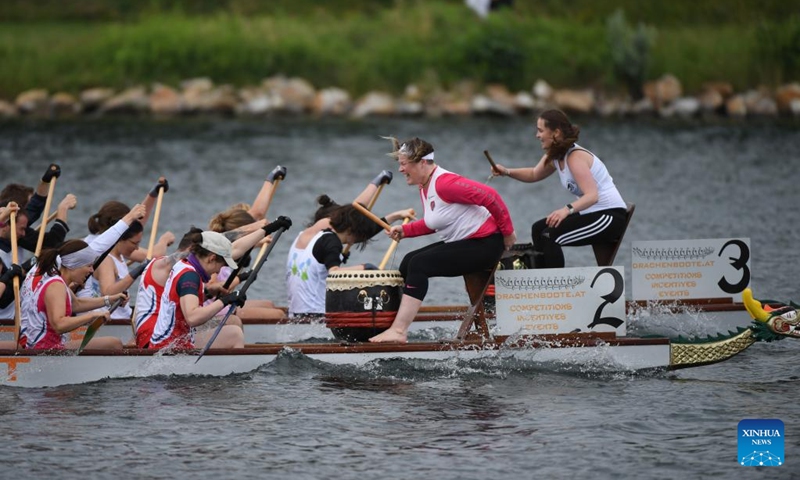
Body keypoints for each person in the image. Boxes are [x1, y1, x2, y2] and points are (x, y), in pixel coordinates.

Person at [369, 136, 516, 343]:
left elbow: (490, 196)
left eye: (404, 164)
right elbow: (434, 222)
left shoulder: (445, 184)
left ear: (422, 163)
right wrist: (405, 230)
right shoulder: (425, 185)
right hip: (468, 243)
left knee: (420, 264)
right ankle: (389, 325)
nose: (401, 170)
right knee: (408, 261)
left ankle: (399, 331)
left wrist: (508, 232)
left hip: (486, 244)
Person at [490, 109, 628, 268]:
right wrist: (506, 171)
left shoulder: (575, 158)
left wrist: (566, 210)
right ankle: (541, 279)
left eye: (541, 130)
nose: (537, 135)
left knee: (550, 236)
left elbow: (592, 196)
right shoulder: (556, 155)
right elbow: (534, 174)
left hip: (608, 217)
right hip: (591, 213)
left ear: (556, 133)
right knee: (538, 229)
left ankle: (556, 287)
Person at [285, 171, 414, 318]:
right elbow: (357, 209)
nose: (356, 240)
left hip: (298, 313)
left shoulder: (313, 236)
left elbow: (357, 212)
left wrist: (391, 211)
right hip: (316, 315)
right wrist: (366, 268)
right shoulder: (328, 236)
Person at [19, 239, 128, 350]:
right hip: (45, 348)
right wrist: (93, 316)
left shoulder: (55, 279)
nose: (91, 270)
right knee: (114, 344)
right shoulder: (56, 286)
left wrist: (110, 299)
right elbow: (59, 325)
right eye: (89, 266)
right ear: (74, 265)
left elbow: (77, 304)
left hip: (45, 345)